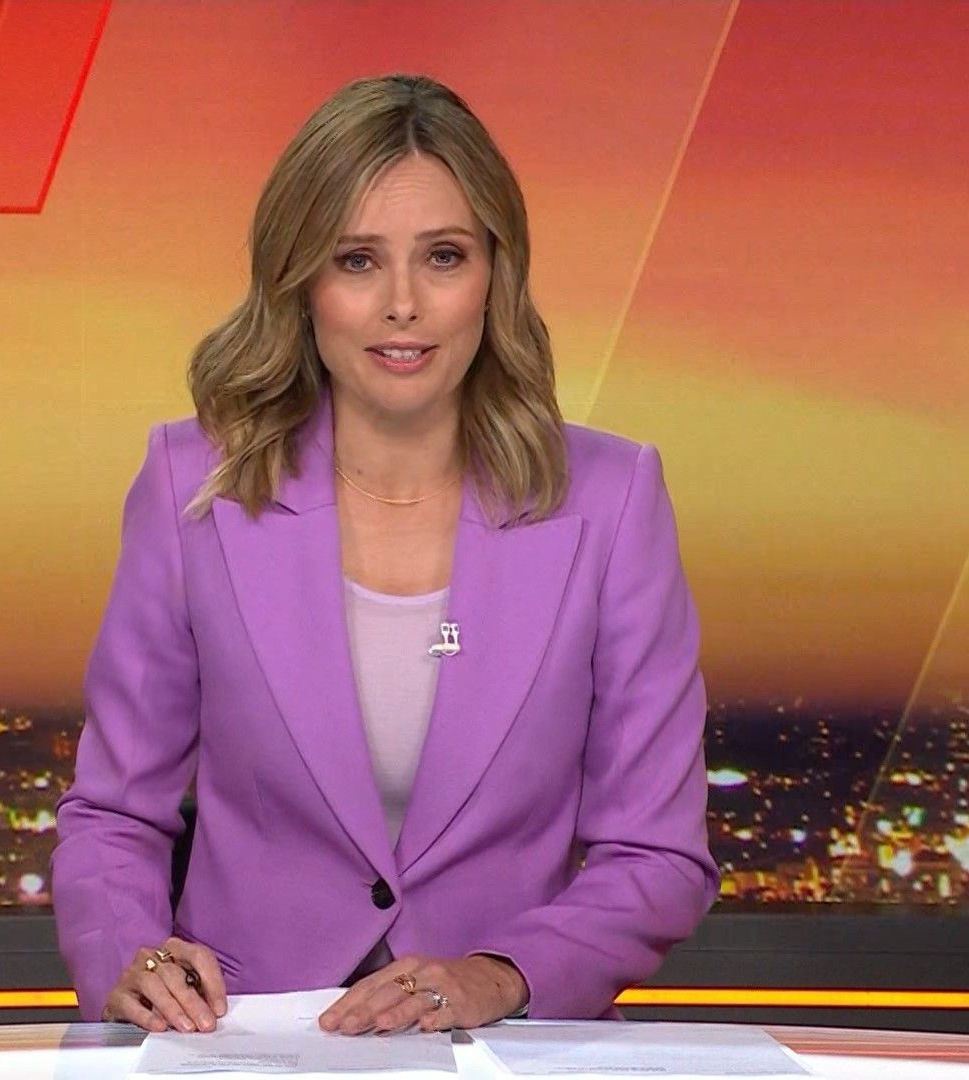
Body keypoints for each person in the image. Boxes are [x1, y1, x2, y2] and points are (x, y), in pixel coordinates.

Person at [50, 72, 716, 1038]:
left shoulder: (613, 500)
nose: (403, 304)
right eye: (357, 260)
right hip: (241, 1041)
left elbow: (657, 856)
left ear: (495, 274)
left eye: (443, 256)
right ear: (300, 282)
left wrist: (499, 976)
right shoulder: (191, 486)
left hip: (505, 1048)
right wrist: (133, 957)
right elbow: (114, 815)